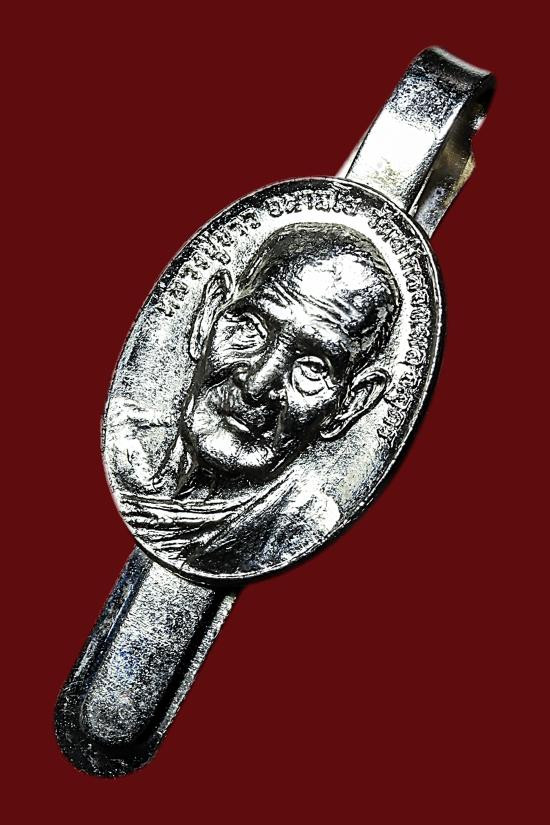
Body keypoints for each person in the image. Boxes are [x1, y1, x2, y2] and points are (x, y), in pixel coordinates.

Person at [114, 222, 401, 574]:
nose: (256, 385)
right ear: (208, 316)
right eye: (251, 326)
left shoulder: (300, 528)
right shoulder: (126, 445)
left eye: (313, 367)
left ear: (351, 404)